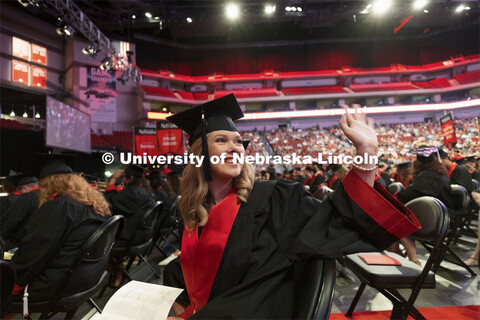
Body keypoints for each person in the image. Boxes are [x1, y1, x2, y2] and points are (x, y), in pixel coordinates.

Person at [163, 94, 420, 319]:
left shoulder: (273, 200)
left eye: (239, 141)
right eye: (222, 140)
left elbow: (336, 219)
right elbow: (192, 271)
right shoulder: (195, 213)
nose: (235, 147)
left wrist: (366, 153)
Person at [9, 156, 111, 302]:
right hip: (86, 278)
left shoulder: (60, 206)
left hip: (55, 284)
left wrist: (12, 276)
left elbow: (35, 252)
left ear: (48, 184)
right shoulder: (98, 206)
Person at [396, 145, 453, 265]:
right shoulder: (438, 173)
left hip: (440, 220)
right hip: (444, 215)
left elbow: (407, 196)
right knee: (399, 216)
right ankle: (397, 251)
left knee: (397, 220)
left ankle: (413, 259)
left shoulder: (427, 176)